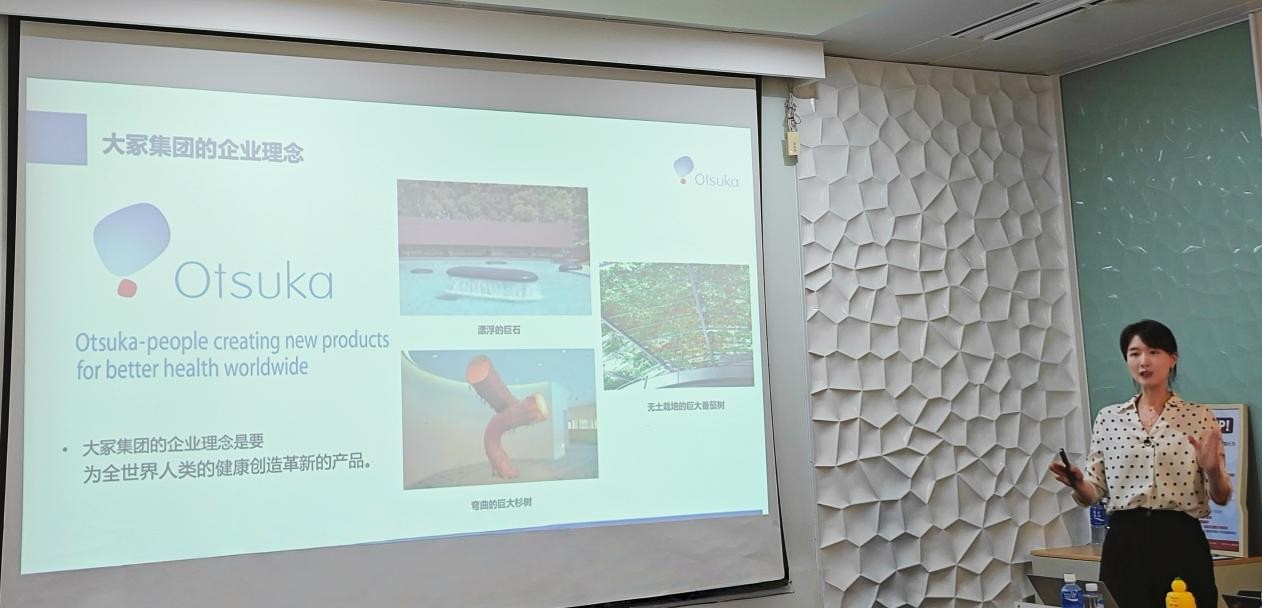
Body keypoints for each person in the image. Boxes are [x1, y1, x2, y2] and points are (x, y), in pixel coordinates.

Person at [1050, 319, 1231, 608]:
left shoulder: (1198, 416)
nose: (1144, 361)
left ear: (1172, 359)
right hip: (1124, 544)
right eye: (1134, 353)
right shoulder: (1109, 418)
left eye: (1154, 352)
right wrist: (1077, 482)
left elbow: (1221, 496)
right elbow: (1093, 493)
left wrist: (1212, 470)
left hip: (1180, 540)